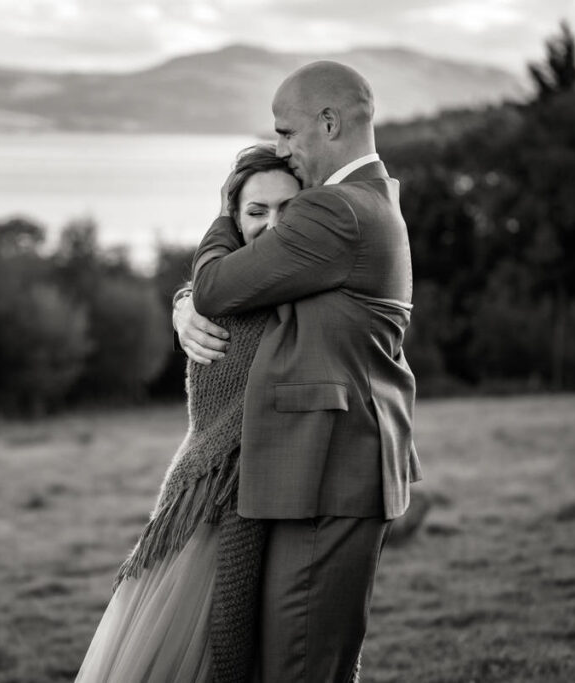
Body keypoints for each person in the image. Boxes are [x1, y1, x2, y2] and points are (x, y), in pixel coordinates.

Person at [174, 60, 422, 682]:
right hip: (324, 470)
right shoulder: (367, 200)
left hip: (328, 473)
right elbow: (253, 306)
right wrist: (184, 309)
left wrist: (227, 211)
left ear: (329, 123)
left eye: (286, 133)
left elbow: (218, 286)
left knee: (302, 669)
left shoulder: (337, 211)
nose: (281, 148)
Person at [75, 144, 301, 683]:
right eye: (257, 211)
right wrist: (185, 303)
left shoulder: (305, 283)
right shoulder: (222, 289)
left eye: (289, 210)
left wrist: (186, 299)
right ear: (234, 216)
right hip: (205, 500)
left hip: (271, 498)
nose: (272, 226)